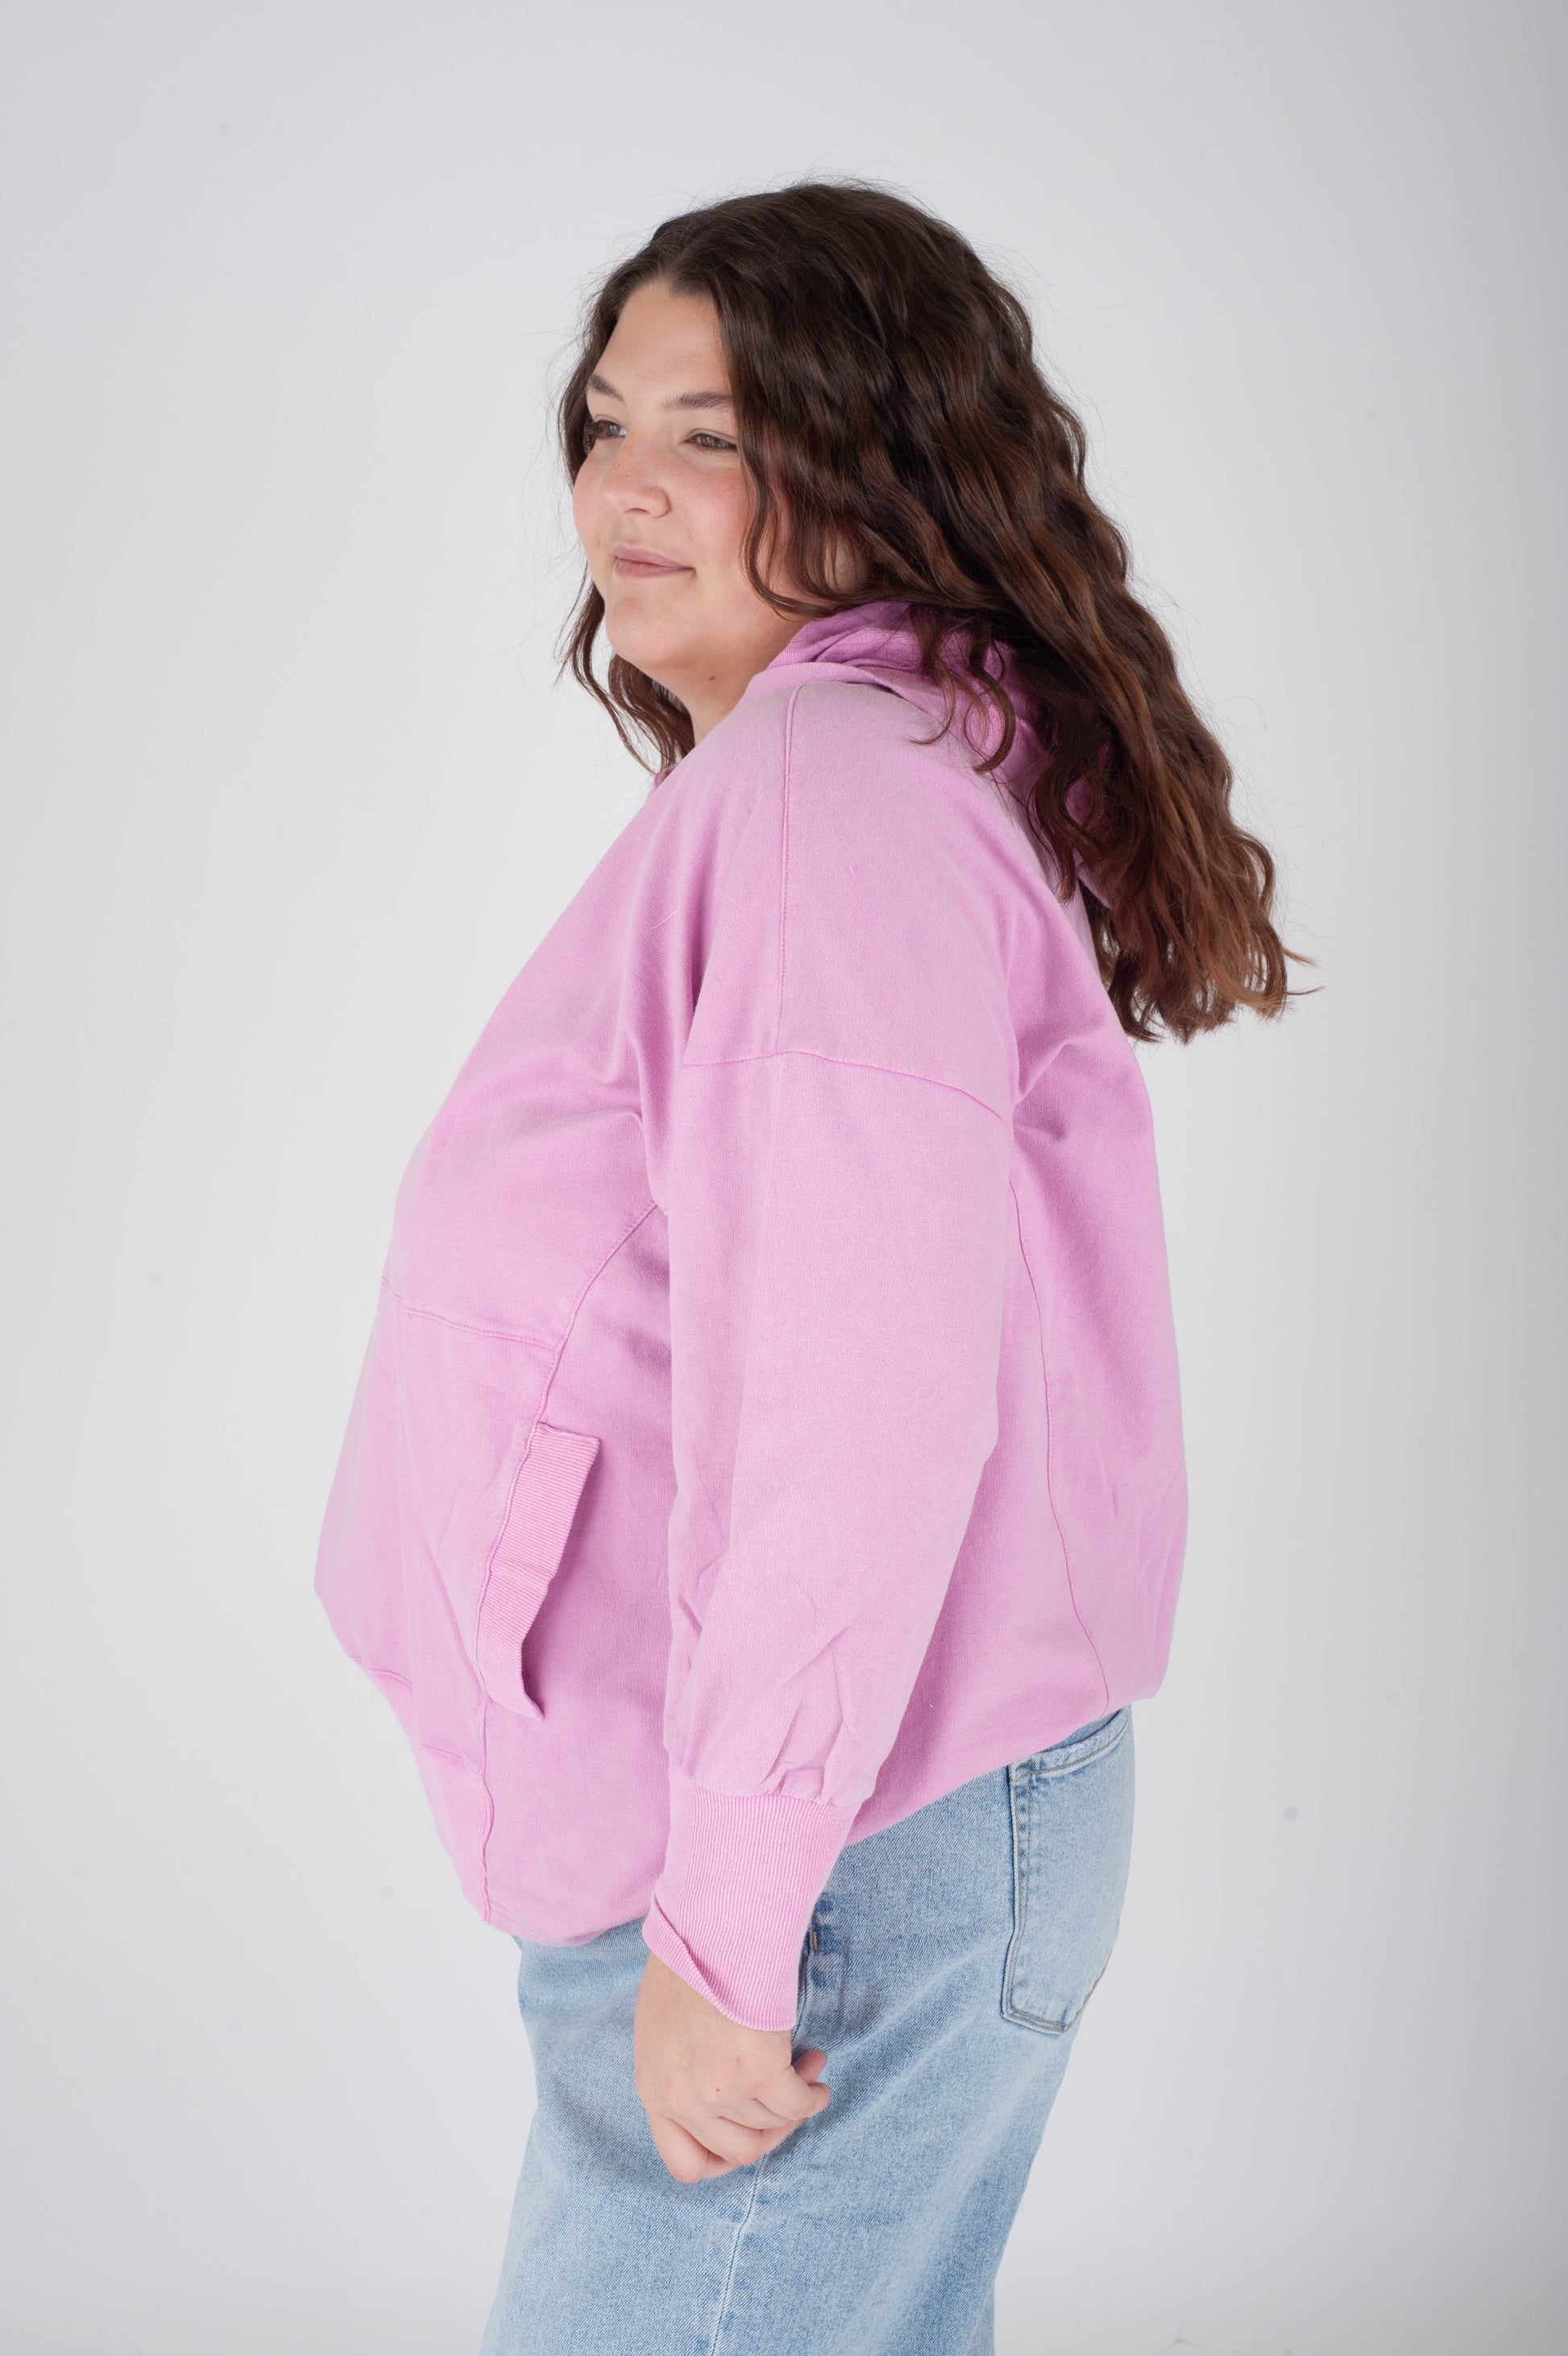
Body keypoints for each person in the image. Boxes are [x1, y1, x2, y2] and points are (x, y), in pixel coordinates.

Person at [314, 179, 1294, 2354]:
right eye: (605, 423)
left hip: (828, 1855)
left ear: (880, 468)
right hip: (858, 1829)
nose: (622, 489)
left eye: (713, 437)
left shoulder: (832, 795)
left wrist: (731, 1927)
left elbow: (851, 1406)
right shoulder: (862, 766)